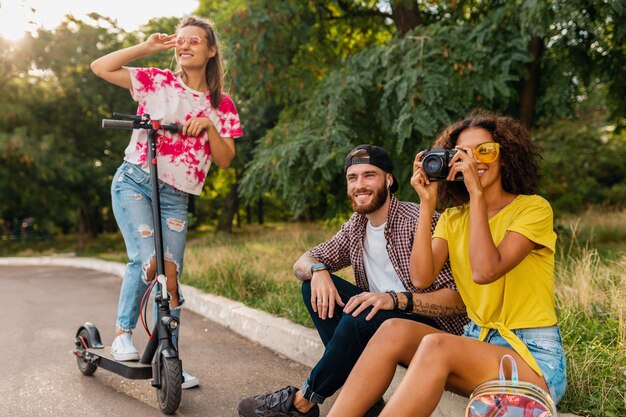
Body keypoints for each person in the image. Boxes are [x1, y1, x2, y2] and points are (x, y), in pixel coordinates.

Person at [327, 111, 567, 417]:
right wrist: (427, 202)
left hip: (531, 358)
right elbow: (420, 278)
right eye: (464, 153)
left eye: (486, 150)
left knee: (437, 345)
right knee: (392, 330)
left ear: (505, 156)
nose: (475, 159)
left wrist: (477, 195)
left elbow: (485, 270)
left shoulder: (532, 209)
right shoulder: (454, 219)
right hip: (476, 345)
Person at [237, 144, 469, 417]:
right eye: (352, 177)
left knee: (364, 313)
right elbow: (304, 261)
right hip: (382, 322)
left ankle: (302, 402)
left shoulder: (419, 219)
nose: (360, 185)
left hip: (435, 333)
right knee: (314, 286)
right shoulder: (357, 226)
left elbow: (458, 301)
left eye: (369, 175)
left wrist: (393, 300)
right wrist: (319, 270)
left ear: (389, 179)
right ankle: (369, 403)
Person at [90, 15, 243, 389]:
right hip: (135, 182)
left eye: (195, 40)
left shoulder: (221, 105)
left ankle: (168, 356)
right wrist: (146, 47)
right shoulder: (157, 81)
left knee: (171, 276)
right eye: (181, 40)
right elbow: (100, 67)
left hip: (176, 197)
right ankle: (123, 333)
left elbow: (225, 159)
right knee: (148, 261)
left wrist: (208, 126)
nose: (186, 45)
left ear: (211, 50)